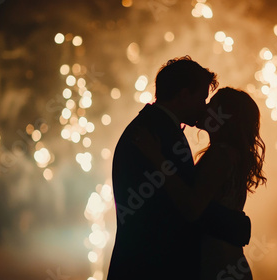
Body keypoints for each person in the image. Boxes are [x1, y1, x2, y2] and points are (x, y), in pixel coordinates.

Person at [108, 56, 251, 280]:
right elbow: (180, 209)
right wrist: (236, 225)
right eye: (203, 99)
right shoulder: (156, 134)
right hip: (152, 267)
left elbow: (188, 202)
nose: (205, 108)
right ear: (184, 95)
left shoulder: (156, 130)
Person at [135, 87, 267, 279]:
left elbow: (192, 207)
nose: (204, 108)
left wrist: (156, 158)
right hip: (229, 261)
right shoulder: (233, 155)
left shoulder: (220, 155)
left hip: (215, 262)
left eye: (211, 105)